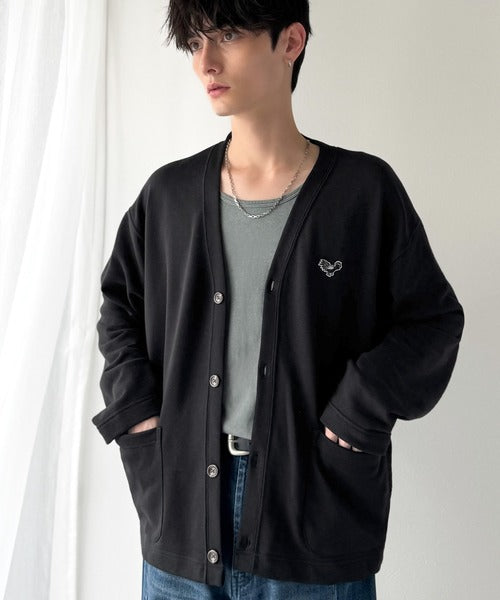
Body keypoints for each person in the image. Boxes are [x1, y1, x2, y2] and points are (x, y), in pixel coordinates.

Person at [91, 1, 465, 599]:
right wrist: (137, 412)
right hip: (182, 524)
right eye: (195, 43)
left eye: (227, 35)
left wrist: (360, 407)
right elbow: (119, 309)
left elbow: (432, 321)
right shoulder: (168, 197)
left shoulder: (363, 194)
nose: (205, 63)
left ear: (291, 42)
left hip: (314, 528)